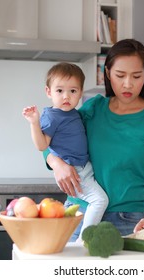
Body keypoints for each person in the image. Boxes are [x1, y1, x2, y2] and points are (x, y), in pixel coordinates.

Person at [44, 39, 144, 241]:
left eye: (136, 76)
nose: (128, 84)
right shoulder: (93, 109)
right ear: (107, 73)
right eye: (120, 75)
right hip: (77, 214)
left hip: (125, 222)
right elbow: (48, 141)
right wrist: (56, 164)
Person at [22, 62, 108, 241]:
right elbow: (42, 145)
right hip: (75, 171)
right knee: (100, 200)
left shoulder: (73, 113)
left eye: (73, 91)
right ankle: (84, 240)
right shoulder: (52, 116)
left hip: (84, 167)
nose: (66, 96)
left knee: (86, 203)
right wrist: (34, 123)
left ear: (81, 92)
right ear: (48, 92)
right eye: (59, 91)